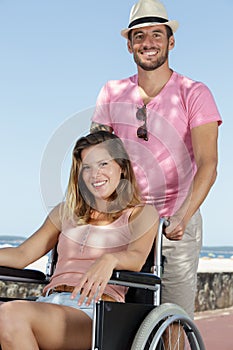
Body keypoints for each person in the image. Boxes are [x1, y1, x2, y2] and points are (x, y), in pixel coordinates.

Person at [91, 0, 222, 319]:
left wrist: (183, 216)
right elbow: (94, 157)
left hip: (174, 219)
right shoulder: (112, 91)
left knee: (172, 316)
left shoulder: (194, 92)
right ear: (129, 44)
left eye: (156, 35)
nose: (147, 43)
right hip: (126, 220)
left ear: (170, 41)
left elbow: (208, 163)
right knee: (113, 317)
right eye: (139, 36)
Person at [0, 130, 158, 350]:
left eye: (103, 164)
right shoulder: (65, 212)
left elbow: (137, 258)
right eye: (87, 167)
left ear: (121, 167)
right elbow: (21, 255)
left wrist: (111, 259)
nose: (95, 174)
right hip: (50, 304)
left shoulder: (141, 213)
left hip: (95, 311)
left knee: (9, 314)